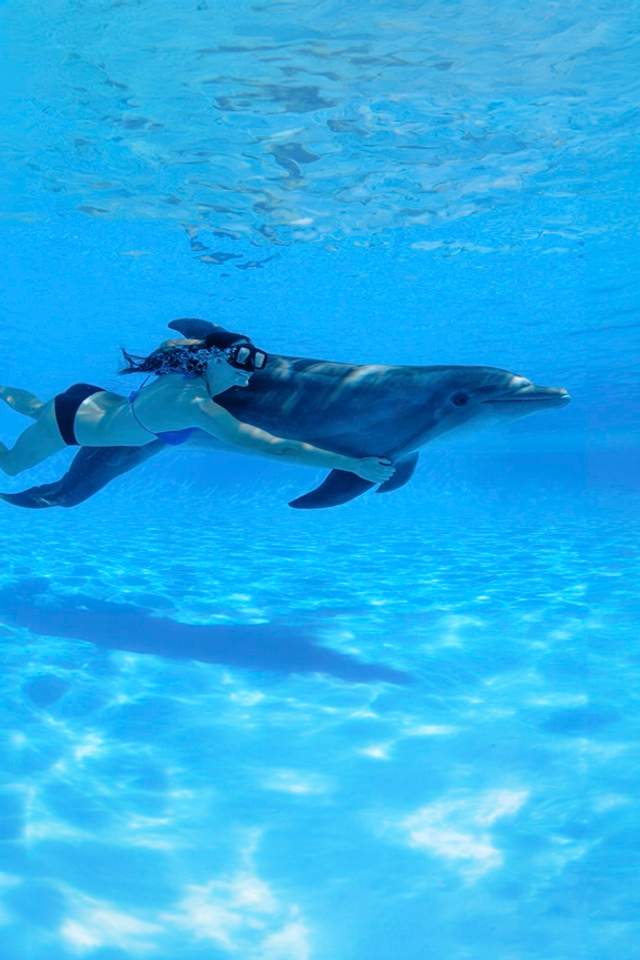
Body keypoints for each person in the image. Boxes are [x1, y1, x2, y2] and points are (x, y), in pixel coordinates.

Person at [0, 328, 395, 484]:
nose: (248, 376)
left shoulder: (185, 367)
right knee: (11, 465)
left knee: (37, 408)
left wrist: (216, 345)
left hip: (89, 400)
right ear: (213, 360)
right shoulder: (195, 405)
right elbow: (273, 446)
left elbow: (176, 345)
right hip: (73, 425)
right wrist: (353, 465)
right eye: (239, 364)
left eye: (254, 365)